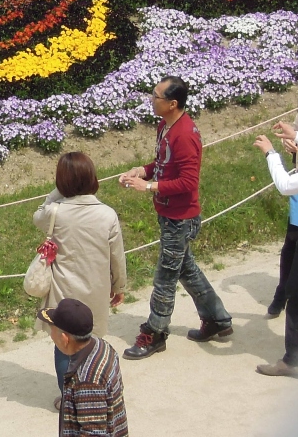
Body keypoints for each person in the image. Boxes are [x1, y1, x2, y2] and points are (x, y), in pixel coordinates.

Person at [119, 75, 232, 359]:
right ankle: (218, 319)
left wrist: (149, 186)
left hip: (180, 219)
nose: (151, 100)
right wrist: (141, 171)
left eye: (156, 96)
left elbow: (188, 182)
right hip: (168, 213)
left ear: (172, 103)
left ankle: (155, 333)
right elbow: (162, 163)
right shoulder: (165, 126)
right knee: (186, 269)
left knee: (165, 277)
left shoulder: (185, 135)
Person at [35, 152, 127, 408]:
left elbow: (37, 216)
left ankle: (70, 398)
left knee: (64, 344)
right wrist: (119, 286)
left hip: (64, 291)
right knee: (93, 341)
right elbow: (117, 256)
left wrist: (57, 191)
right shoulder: (108, 214)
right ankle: (94, 392)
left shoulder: (56, 212)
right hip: (97, 289)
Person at [254, 115, 298, 378]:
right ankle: (295, 360)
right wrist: (296, 136)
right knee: (296, 291)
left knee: (297, 292)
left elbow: (286, 185)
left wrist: (271, 154)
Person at [40, 298, 129, 437]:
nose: (50, 335)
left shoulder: (87, 381)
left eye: (52, 330)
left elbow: (93, 433)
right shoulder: (101, 345)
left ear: (65, 339)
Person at [269, 92, 298, 319]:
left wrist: (270, 154)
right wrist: (291, 141)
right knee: (293, 239)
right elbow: (297, 128)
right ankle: (282, 292)